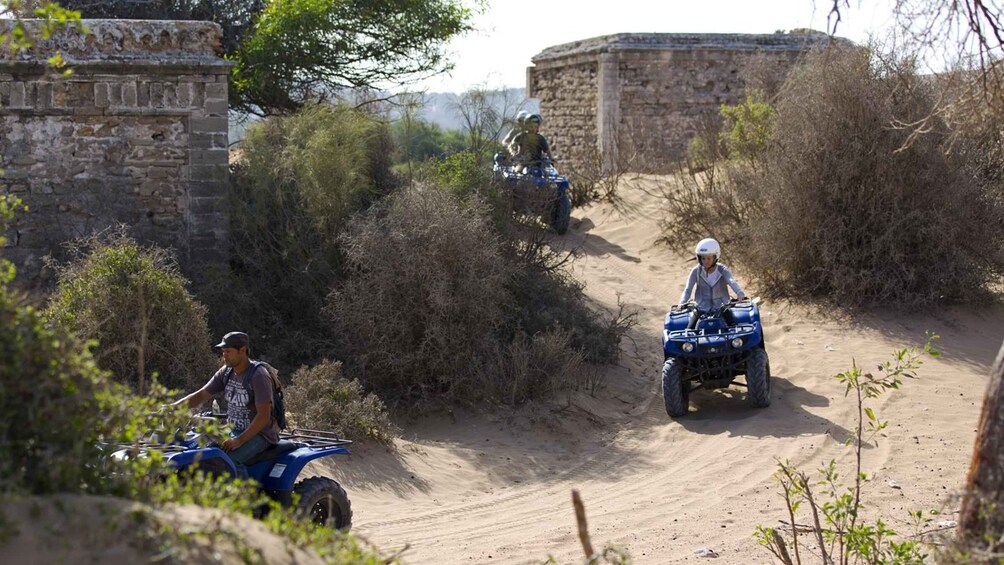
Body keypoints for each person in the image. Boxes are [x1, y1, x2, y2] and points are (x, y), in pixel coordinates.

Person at [173, 331, 279, 478]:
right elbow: (202, 394)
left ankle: (243, 497)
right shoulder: (227, 372)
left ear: (242, 350)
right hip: (232, 429)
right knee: (198, 450)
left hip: (260, 435)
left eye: (228, 351)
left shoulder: (258, 375)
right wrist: (173, 408)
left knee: (229, 460)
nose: (224, 355)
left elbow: (263, 416)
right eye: (223, 352)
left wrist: (239, 440)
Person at [679, 238, 745, 327]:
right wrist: (682, 302)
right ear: (699, 258)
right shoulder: (696, 271)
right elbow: (688, 289)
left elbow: (731, 281)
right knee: (689, 330)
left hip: (722, 308)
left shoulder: (722, 270)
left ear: (715, 257)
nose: (706, 261)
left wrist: (739, 293)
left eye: (709, 258)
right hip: (700, 309)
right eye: (703, 258)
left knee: (734, 327)